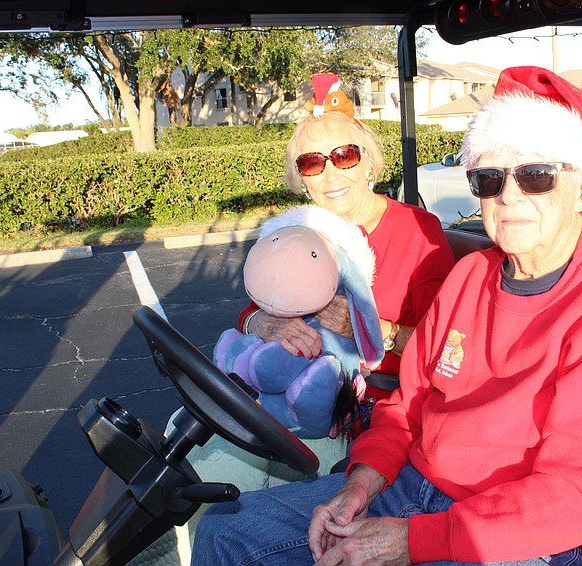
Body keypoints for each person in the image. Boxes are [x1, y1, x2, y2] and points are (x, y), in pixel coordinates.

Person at [192, 66, 582, 566]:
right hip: (412, 488)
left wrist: (414, 541)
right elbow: (406, 406)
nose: (509, 195)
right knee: (228, 529)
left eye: (536, 175)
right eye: (490, 178)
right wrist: (359, 484)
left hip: (517, 528)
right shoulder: (470, 277)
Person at [173, 73, 455, 541]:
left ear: (369, 164)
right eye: (311, 162)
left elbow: (444, 348)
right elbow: (253, 309)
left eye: (343, 155)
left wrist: (375, 329)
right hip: (286, 388)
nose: (330, 173)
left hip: (366, 410)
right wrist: (264, 322)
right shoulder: (305, 231)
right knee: (183, 445)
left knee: (207, 470)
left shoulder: (418, 233)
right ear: (302, 180)